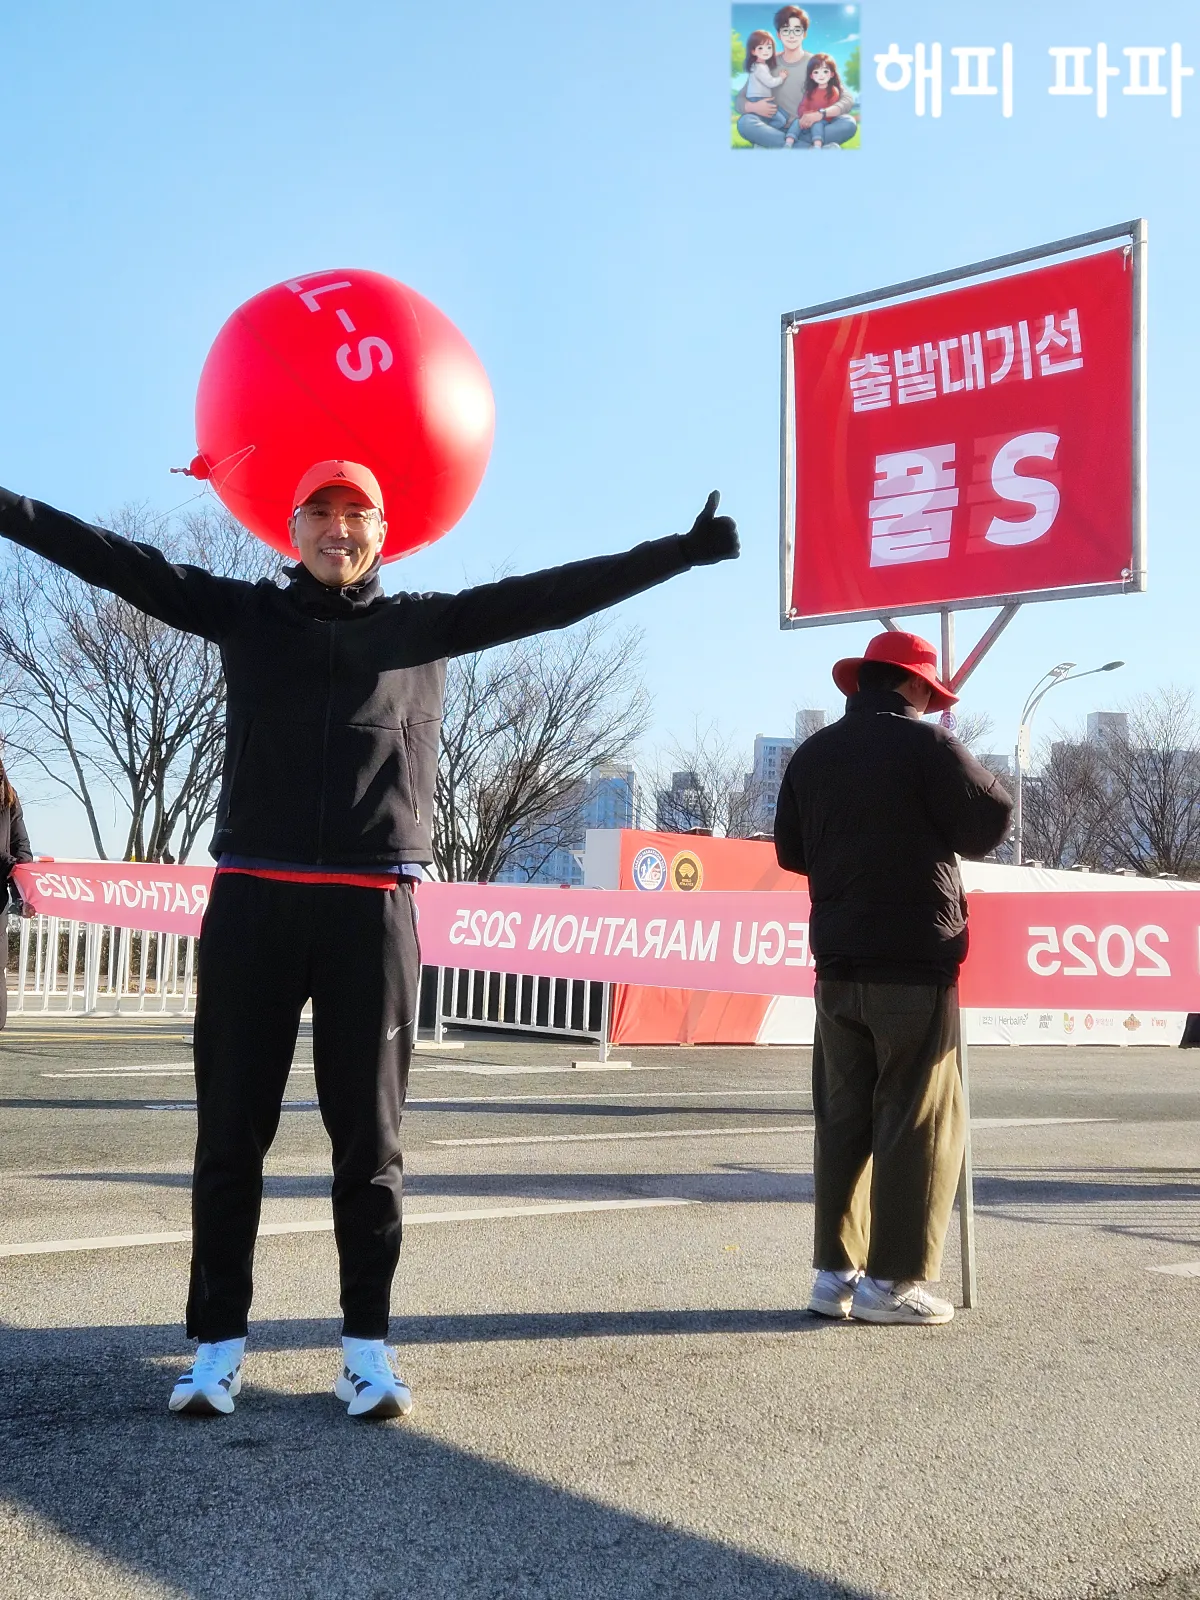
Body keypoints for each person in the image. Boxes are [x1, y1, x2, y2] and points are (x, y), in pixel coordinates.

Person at [0, 466, 739, 1415]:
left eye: (357, 515)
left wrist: (673, 555)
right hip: (253, 902)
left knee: (372, 1145)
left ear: (384, 529)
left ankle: (366, 1349)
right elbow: (114, 562)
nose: (337, 530)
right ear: (293, 526)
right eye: (321, 514)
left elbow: (550, 599)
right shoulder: (243, 614)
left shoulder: (423, 624)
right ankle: (216, 1348)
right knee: (230, 1136)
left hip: (371, 908)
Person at [773, 631, 1011, 1326]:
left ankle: (833, 1275)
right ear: (913, 687)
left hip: (837, 963)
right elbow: (988, 820)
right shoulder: (927, 746)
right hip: (913, 960)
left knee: (843, 1118)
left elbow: (791, 851)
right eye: (929, 693)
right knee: (919, 1120)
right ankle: (892, 1282)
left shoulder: (812, 754)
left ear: (862, 683)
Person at [735, 5, 857, 150]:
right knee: (745, 122)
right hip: (775, 127)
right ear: (779, 35)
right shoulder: (765, 64)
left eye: (797, 30)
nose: (791, 35)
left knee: (848, 123)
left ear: (804, 34)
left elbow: (847, 98)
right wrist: (752, 106)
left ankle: (777, 145)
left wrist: (821, 114)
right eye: (786, 30)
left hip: (811, 128)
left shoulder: (818, 63)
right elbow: (741, 98)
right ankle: (811, 147)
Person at [0, 756, 34, 1031]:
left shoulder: (9, 798)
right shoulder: (8, 796)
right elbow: (20, 850)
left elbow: (19, 851)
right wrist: (24, 889)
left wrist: (25, 892)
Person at [783, 54, 848, 149]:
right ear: (811, 76)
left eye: (825, 71)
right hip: (807, 120)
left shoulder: (833, 90)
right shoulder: (810, 92)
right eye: (816, 72)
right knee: (797, 121)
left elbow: (831, 110)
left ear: (832, 74)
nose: (821, 75)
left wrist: (815, 117)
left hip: (823, 121)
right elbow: (802, 107)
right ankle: (788, 143)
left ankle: (817, 146)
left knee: (818, 125)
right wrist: (806, 117)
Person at [743, 31, 790, 135]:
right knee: (780, 120)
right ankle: (763, 135)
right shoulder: (760, 67)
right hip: (759, 99)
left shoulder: (758, 64)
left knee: (785, 115)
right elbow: (770, 83)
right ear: (753, 51)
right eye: (760, 48)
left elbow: (767, 55)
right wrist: (781, 78)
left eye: (769, 47)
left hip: (761, 97)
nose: (766, 51)